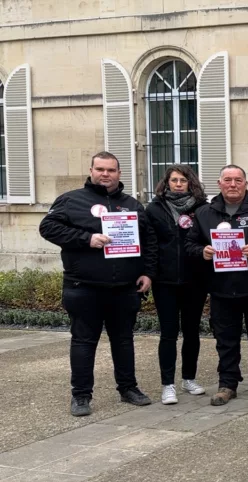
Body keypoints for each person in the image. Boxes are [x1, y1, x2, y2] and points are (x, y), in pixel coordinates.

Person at [39, 151, 158, 416]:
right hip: (83, 287)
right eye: (100, 169)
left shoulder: (132, 205)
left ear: (119, 173)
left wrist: (148, 273)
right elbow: (48, 228)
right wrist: (87, 239)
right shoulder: (71, 200)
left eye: (111, 170)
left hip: (124, 288)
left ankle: (128, 388)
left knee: (123, 341)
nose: (105, 174)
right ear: (91, 170)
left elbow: (149, 242)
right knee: (83, 342)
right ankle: (81, 396)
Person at [185, 165, 248, 406]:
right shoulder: (204, 213)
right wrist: (202, 251)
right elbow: (189, 245)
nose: (233, 184)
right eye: (228, 180)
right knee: (225, 340)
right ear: (219, 184)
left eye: (238, 180)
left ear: (245, 184)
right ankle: (227, 384)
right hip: (221, 289)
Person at [145, 164, 210, 405]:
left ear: (191, 182)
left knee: (192, 332)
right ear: (167, 183)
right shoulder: (154, 208)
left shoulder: (202, 208)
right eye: (174, 180)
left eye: (183, 180)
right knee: (168, 333)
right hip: (165, 281)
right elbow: (150, 244)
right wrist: (149, 273)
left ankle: (189, 378)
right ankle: (168, 384)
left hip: (195, 279)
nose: (179, 184)